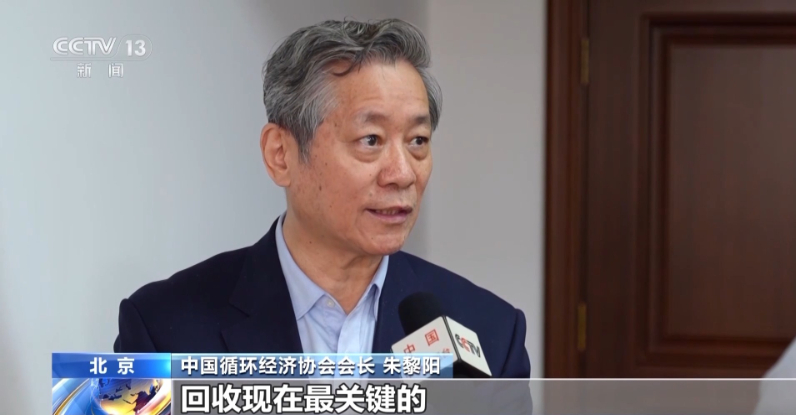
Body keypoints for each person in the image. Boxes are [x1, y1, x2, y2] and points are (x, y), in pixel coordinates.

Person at [113, 18, 531, 378]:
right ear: (281, 154)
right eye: (371, 140)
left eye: (418, 141)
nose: (403, 173)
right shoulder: (162, 330)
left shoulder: (491, 333)